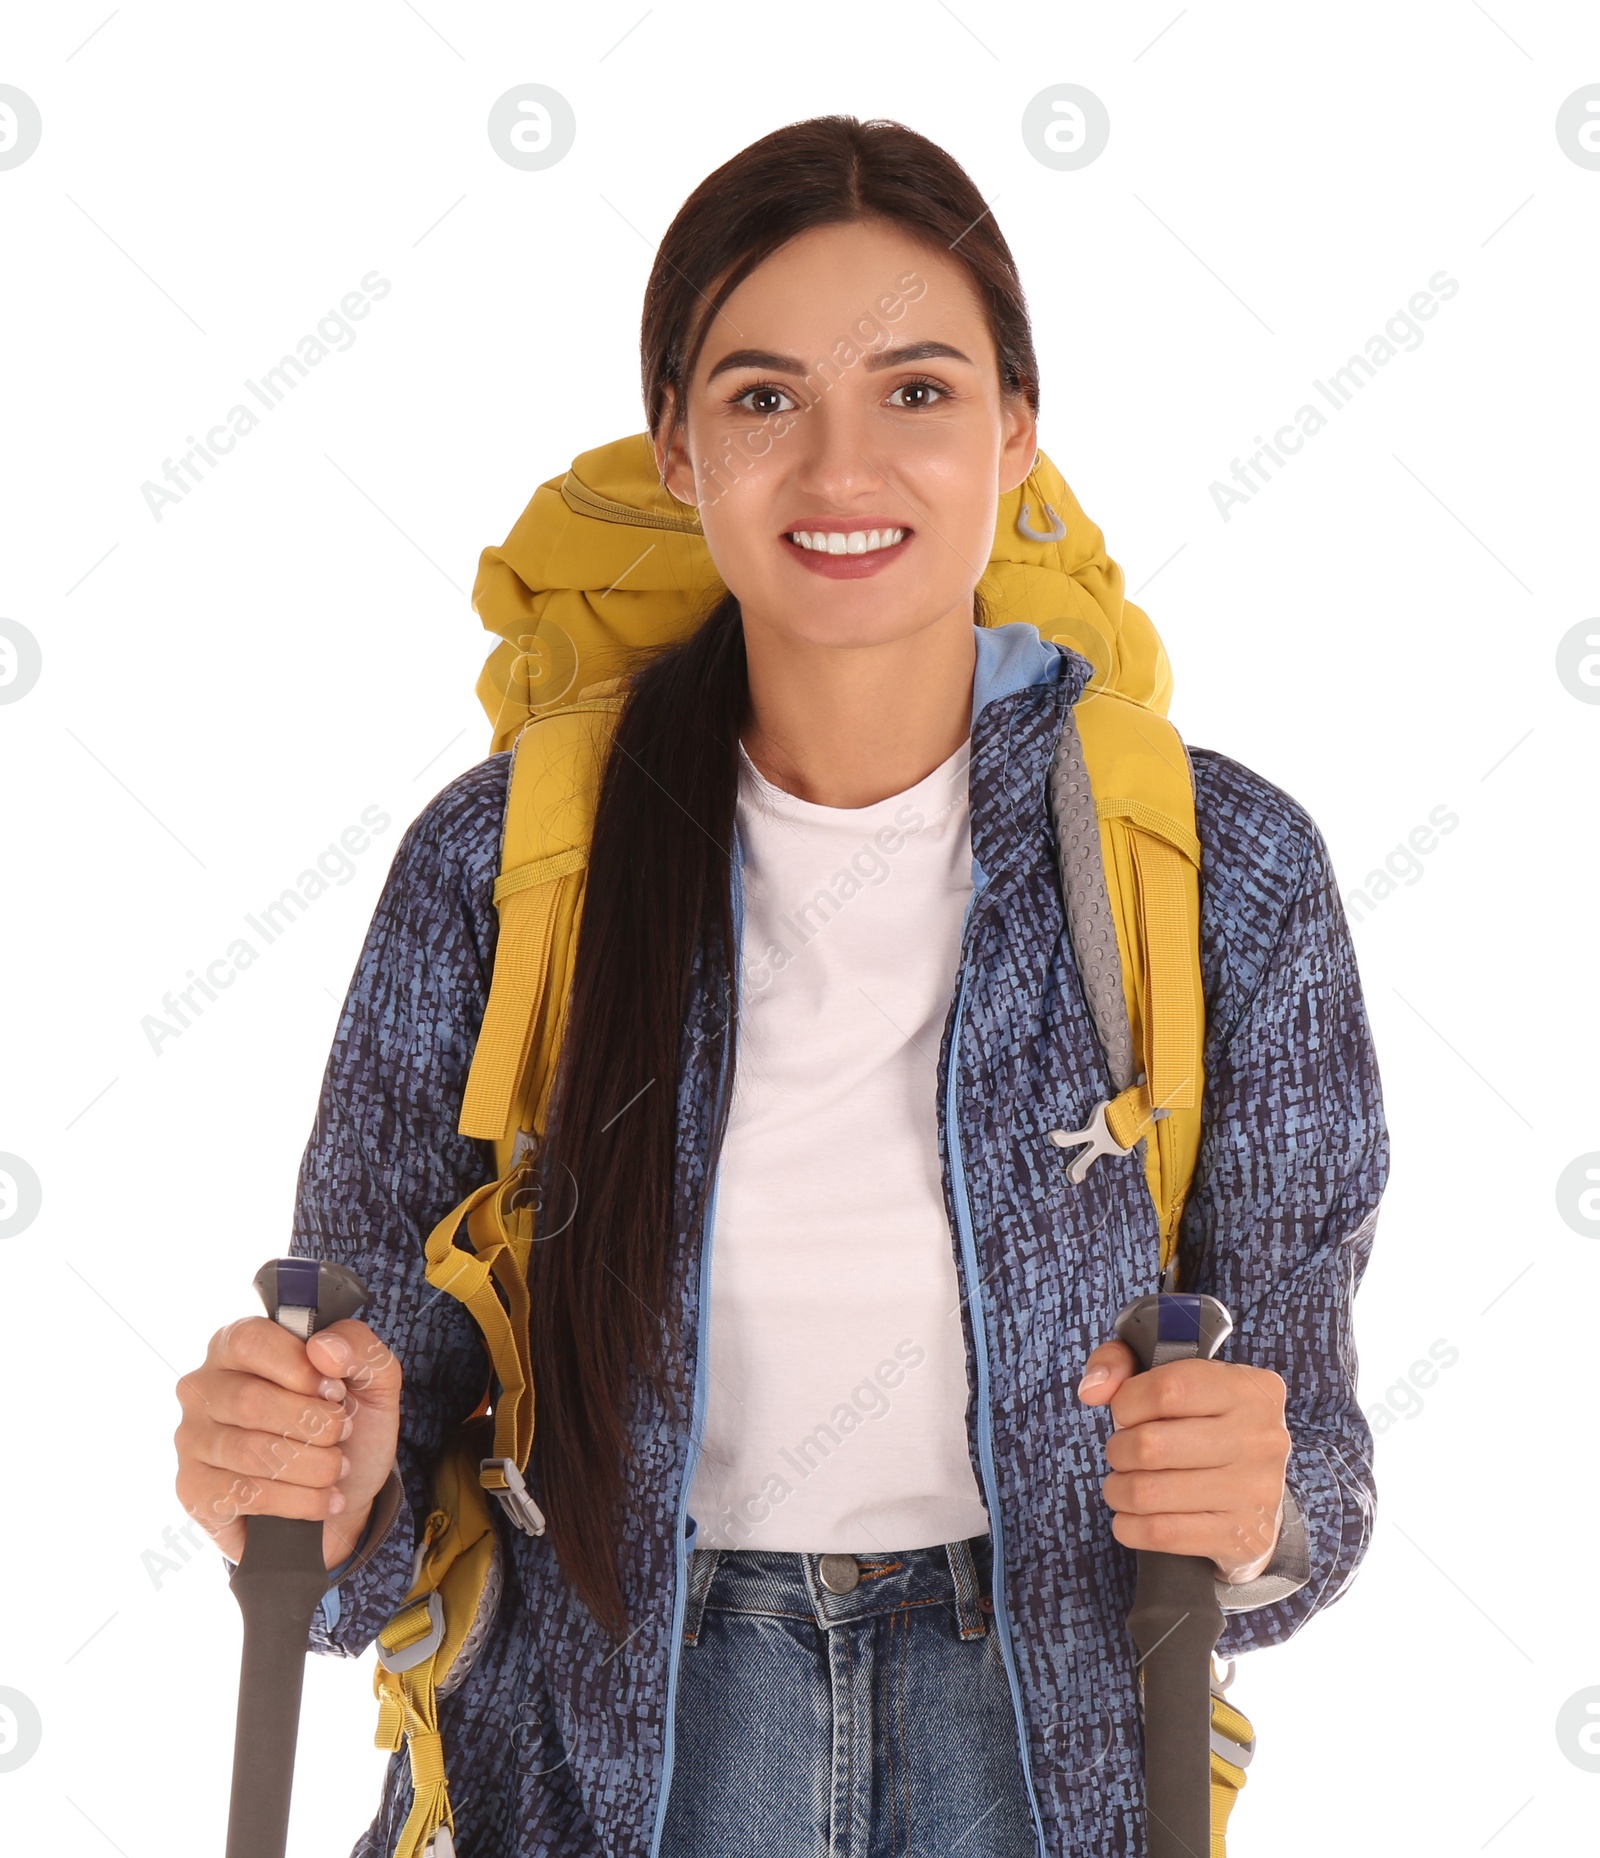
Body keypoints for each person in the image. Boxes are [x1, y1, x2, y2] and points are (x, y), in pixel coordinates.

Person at [173, 114, 1389, 1857]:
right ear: (677, 451)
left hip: (1036, 1747)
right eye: (761, 400)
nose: (841, 467)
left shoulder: (1219, 867)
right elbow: (387, 1409)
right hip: (609, 1750)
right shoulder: (508, 860)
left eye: (916, 393)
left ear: (1016, 436)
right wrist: (315, 1461)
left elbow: (1311, 1471)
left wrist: (1256, 1503)